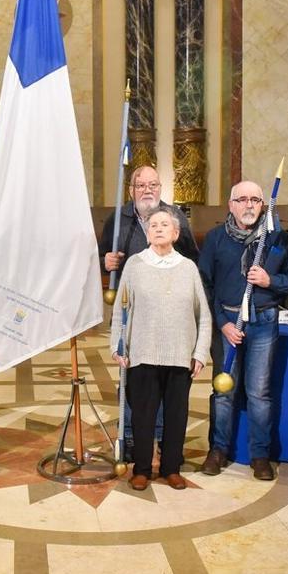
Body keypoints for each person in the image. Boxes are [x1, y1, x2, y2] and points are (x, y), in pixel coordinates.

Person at [197, 181, 288, 480]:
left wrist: (272, 281)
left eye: (255, 200)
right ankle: (217, 450)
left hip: (263, 323)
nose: (248, 205)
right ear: (230, 205)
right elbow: (205, 285)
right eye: (241, 199)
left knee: (259, 393)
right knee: (224, 392)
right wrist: (223, 324)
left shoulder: (277, 239)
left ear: (263, 205)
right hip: (228, 325)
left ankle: (259, 455)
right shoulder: (216, 238)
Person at [110, 205, 212, 491]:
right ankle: (142, 469)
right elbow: (120, 310)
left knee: (176, 415)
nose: (158, 228)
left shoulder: (188, 268)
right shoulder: (135, 265)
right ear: (147, 232)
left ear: (176, 233)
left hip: (180, 355)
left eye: (164, 224)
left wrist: (200, 352)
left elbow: (203, 315)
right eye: (153, 224)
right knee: (143, 414)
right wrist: (117, 346)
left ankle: (171, 468)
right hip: (142, 352)